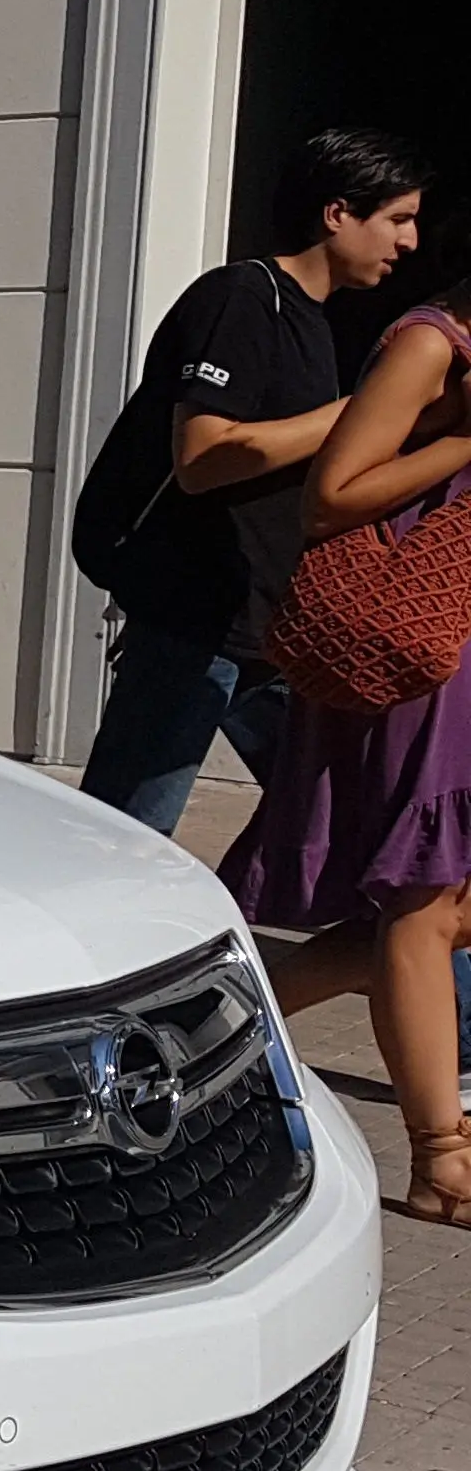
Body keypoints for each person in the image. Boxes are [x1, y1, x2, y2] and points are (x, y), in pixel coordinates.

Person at [72, 129, 430, 834]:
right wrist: (360, 412)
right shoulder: (243, 297)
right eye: (397, 218)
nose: (410, 242)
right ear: (337, 213)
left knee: (356, 830)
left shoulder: (317, 329)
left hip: (273, 628)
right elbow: (204, 458)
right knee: (122, 840)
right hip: (194, 624)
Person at [222, 267, 471, 1222]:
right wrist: (460, 438)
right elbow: (331, 496)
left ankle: (229, 1023)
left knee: (429, 916)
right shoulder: (431, 342)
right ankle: (439, 1157)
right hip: (430, 654)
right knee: (425, 902)